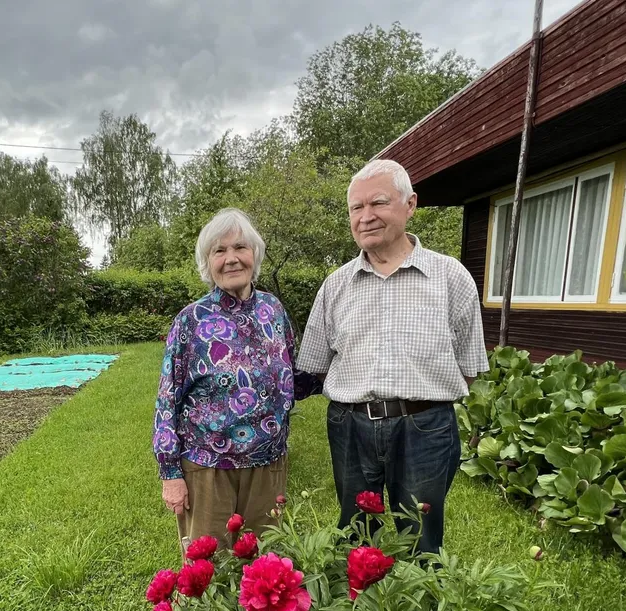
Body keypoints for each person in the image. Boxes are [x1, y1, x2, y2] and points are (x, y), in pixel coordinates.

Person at [296, 159, 489, 554]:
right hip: (351, 427)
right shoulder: (336, 286)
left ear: (410, 204)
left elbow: (469, 367)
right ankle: (358, 608)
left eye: (378, 203)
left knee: (420, 535)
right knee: (354, 532)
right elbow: (313, 365)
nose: (365, 217)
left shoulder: (451, 277)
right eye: (356, 208)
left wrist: (420, 398)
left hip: (425, 428)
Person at [153, 208, 312, 550]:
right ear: (207, 262)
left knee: (267, 564)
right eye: (219, 251)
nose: (231, 259)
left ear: (254, 253)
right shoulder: (191, 320)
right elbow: (167, 400)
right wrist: (170, 473)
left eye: (240, 247)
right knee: (210, 572)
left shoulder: (273, 311)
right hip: (208, 468)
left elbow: (293, 378)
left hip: (268, 465)